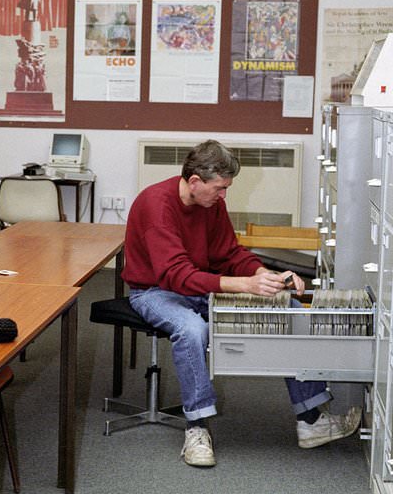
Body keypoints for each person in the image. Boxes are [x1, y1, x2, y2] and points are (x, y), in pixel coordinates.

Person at [124, 139, 361, 467]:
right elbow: (175, 275)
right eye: (219, 189)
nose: (224, 197)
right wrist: (244, 285)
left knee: (287, 309)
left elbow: (229, 254)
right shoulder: (156, 205)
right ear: (195, 182)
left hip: (199, 283)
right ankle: (196, 428)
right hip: (153, 290)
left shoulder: (211, 204)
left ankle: (310, 420)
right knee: (192, 329)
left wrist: (266, 275)